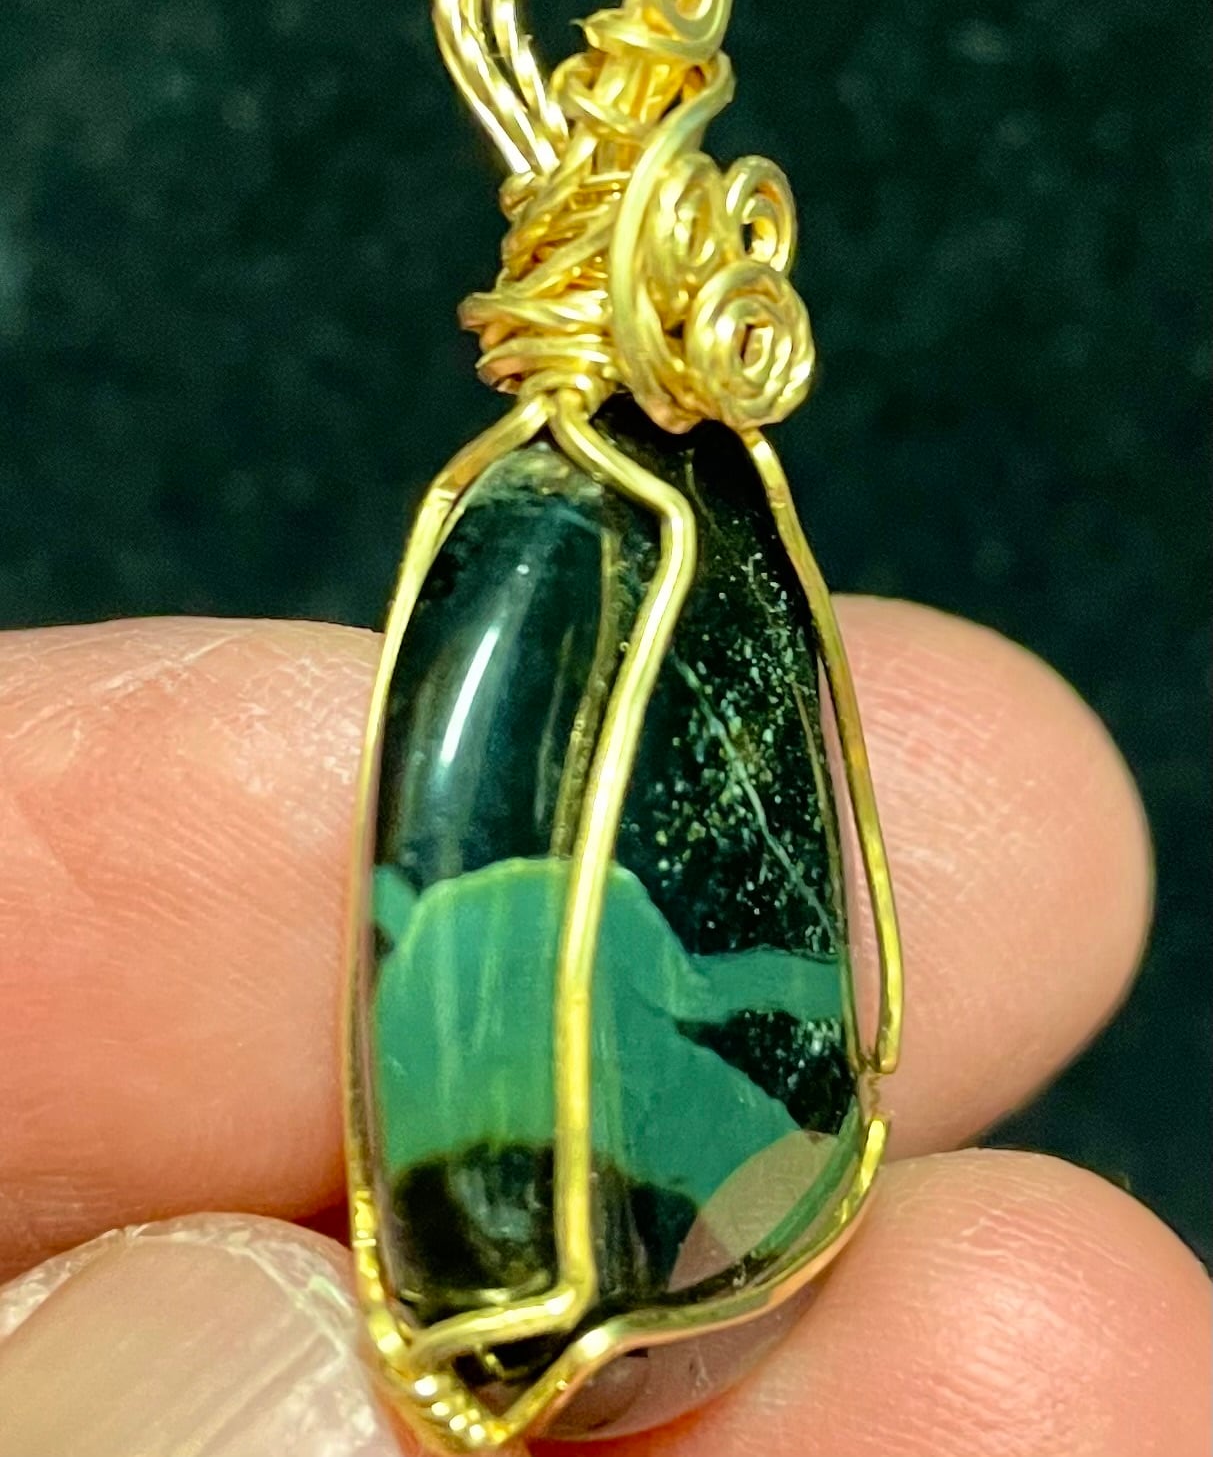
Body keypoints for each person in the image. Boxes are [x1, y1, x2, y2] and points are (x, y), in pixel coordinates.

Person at [0, 603, 1207, 1455]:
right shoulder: (544, 917)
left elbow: (695, 1003)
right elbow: (703, 1002)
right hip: (550, 1231)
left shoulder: (508, 907)